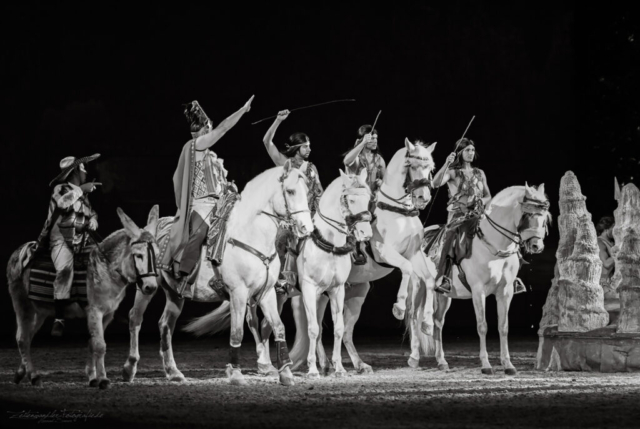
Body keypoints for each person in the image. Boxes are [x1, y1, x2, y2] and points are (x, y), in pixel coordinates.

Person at [158, 96, 253, 290]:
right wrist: (242, 110)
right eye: (209, 127)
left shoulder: (213, 157)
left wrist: (229, 188)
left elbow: (219, 183)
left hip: (220, 202)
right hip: (201, 204)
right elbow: (225, 127)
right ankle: (183, 275)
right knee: (201, 231)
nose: (212, 129)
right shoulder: (196, 147)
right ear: (203, 129)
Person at [430, 138, 527, 295]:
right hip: (459, 217)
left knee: (506, 231)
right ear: (460, 152)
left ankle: (512, 276)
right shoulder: (453, 172)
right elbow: (435, 183)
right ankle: (443, 277)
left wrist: (480, 201)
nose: (471, 153)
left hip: (479, 214)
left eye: (473, 150)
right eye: (468, 150)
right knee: (451, 236)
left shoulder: (479, 173)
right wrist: (446, 163)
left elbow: (488, 195)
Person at [39, 154, 101, 336]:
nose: (86, 172)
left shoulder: (82, 193)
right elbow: (63, 203)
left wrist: (94, 220)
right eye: (83, 169)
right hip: (61, 239)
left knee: (105, 258)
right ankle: (59, 318)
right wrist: (82, 189)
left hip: (83, 239)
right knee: (64, 270)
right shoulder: (61, 188)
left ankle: (105, 305)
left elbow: (91, 212)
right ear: (75, 171)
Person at [262, 109, 323, 292]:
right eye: (305, 146)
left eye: (309, 146)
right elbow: (267, 141)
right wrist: (278, 120)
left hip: (311, 216)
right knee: (282, 237)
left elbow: (319, 192)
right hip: (290, 217)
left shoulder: (312, 168)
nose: (309, 149)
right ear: (296, 148)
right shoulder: (284, 163)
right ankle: (281, 278)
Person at [343, 125, 386, 212]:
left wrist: (382, 184)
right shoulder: (356, 158)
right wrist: (363, 143)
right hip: (356, 204)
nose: (375, 141)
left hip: (373, 204)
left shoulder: (379, 160)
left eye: (376, 138)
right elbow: (346, 161)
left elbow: (387, 183)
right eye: (372, 138)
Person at [596, 216, 616, 297]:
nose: (615, 231)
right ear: (607, 228)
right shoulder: (599, 242)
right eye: (613, 227)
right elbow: (606, 264)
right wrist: (620, 251)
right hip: (604, 285)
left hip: (611, 282)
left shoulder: (611, 243)